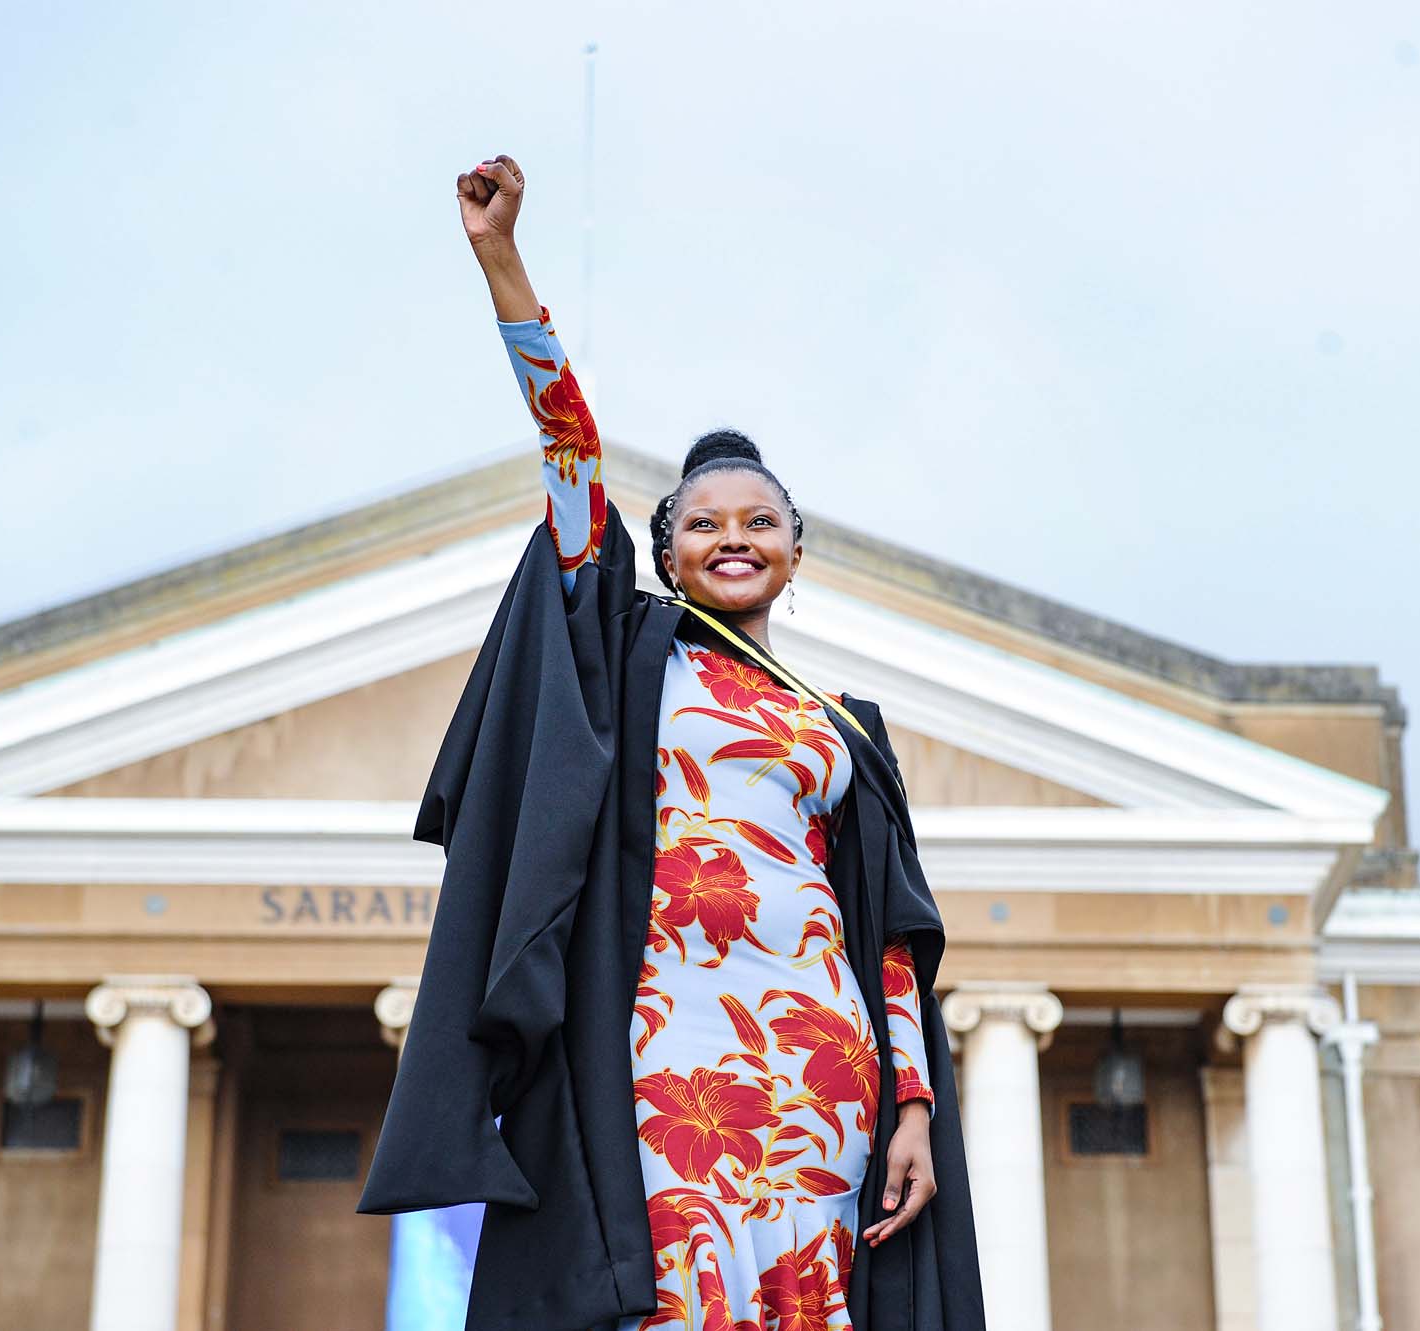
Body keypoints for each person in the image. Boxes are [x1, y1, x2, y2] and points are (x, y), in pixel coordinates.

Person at [359, 154, 985, 1331]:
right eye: (703, 522)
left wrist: (910, 1109)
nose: (731, 535)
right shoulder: (637, 652)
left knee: (806, 1298)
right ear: (666, 550)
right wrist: (501, 261)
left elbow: (891, 938)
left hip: (818, 1043)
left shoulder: (843, 725)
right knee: (673, 1282)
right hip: (664, 1032)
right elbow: (568, 451)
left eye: (759, 521)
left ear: (795, 555)